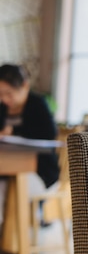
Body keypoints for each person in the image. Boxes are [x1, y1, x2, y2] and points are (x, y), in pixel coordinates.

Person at [0, 64, 59, 227]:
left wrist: (13, 132)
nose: (4, 99)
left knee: (8, 190)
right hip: (6, 171)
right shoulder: (2, 109)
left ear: (24, 86)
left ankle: (15, 238)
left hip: (39, 172)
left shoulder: (38, 106)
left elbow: (47, 139)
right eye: (0, 94)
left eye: (9, 93)